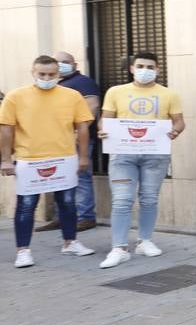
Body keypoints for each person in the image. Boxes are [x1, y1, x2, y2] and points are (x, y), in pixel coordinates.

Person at [0, 55, 97, 266]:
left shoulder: (72, 96)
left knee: (68, 203)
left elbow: (82, 127)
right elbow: (6, 129)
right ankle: (23, 250)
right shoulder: (16, 97)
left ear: (58, 74)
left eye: (51, 74)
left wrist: (82, 157)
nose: (46, 77)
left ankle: (70, 242)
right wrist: (6, 159)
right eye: (41, 74)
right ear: (33, 73)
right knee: (26, 205)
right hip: (29, 159)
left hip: (64, 158)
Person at [96, 52, 185, 269]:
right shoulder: (115, 92)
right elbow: (105, 120)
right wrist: (102, 130)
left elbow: (179, 122)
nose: (145, 70)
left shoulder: (169, 94)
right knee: (122, 200)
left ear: (157, 70)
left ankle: (145, 241)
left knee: (149, 199)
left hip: (155, 155)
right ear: (132, 68)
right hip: (122, 154)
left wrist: (174, 132)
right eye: (141, 66)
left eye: (150, 66)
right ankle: (119, 248)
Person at [34, 51, 101, 232]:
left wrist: (79, 132)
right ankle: (61, 217)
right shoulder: (54, 85)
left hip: (77, 140)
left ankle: (86, 217)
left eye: (65, 62)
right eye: (57, 62)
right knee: (59, 178)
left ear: (75, 65)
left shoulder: (82, 82)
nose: (61, 65)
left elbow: (92, 108)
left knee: (81, 177)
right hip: (56, 141)